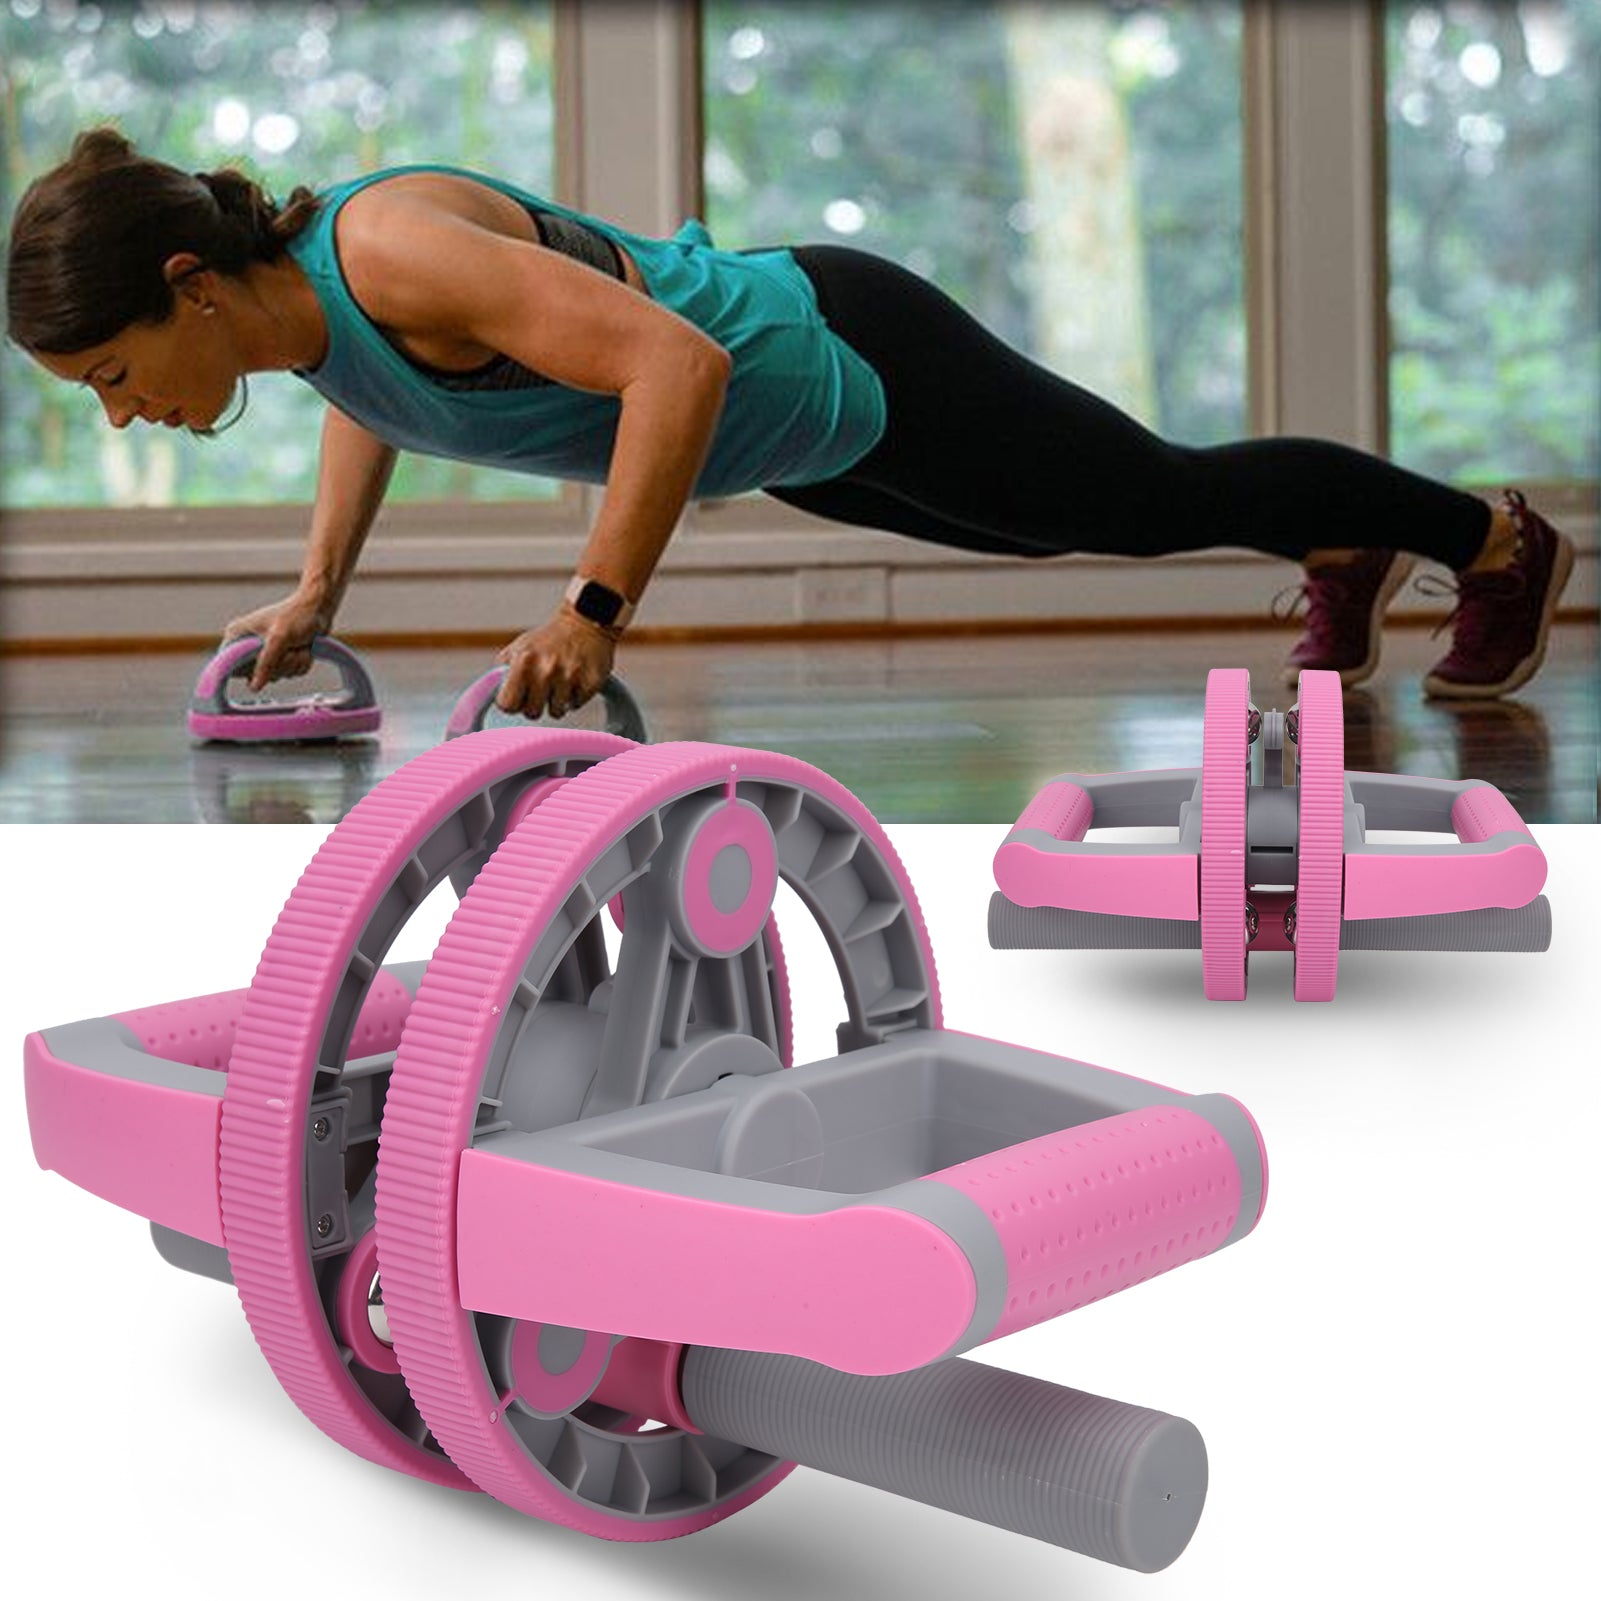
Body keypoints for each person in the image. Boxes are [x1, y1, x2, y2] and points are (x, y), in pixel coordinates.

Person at [6, 129, 1575, 714]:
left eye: (114, 378)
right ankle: (1338, 539)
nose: (133, 416)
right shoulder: (305, 330)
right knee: (1065, 521)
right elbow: (374, 398)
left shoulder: (388, 247)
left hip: (835, 344)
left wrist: (593, 609)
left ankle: (1489, 537)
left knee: (1147, 498)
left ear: (189, 284)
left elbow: (672, 367)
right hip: (804, 441)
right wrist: (319, 591)